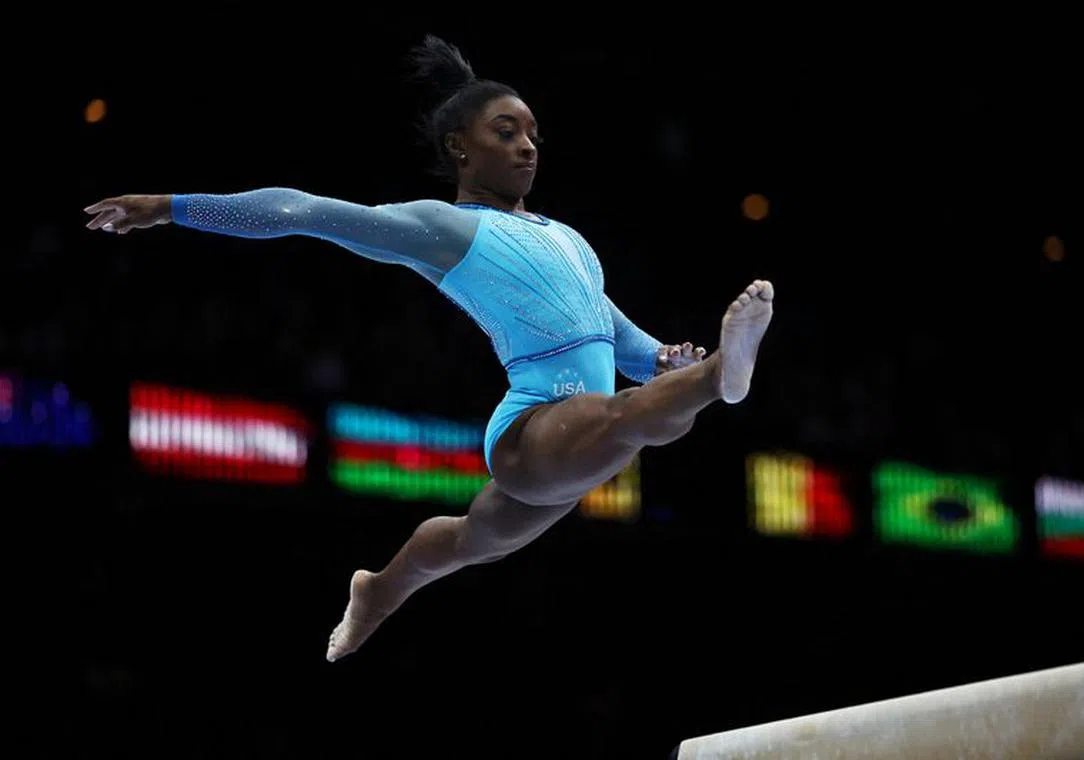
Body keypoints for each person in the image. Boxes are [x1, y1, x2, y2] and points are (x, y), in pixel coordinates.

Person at [83, 34, 775, 663]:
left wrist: (662, 359)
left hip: (576, 445)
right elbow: (302, 211)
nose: (527, 146)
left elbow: (617, 337)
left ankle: (377, 591)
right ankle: (723, 375)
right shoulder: (443, 228)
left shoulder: (568, 238)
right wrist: (173, 205)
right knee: (633, 419)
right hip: (535, 428)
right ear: (458, 147)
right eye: (505, 133)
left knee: (472, 539)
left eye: (533, 133)